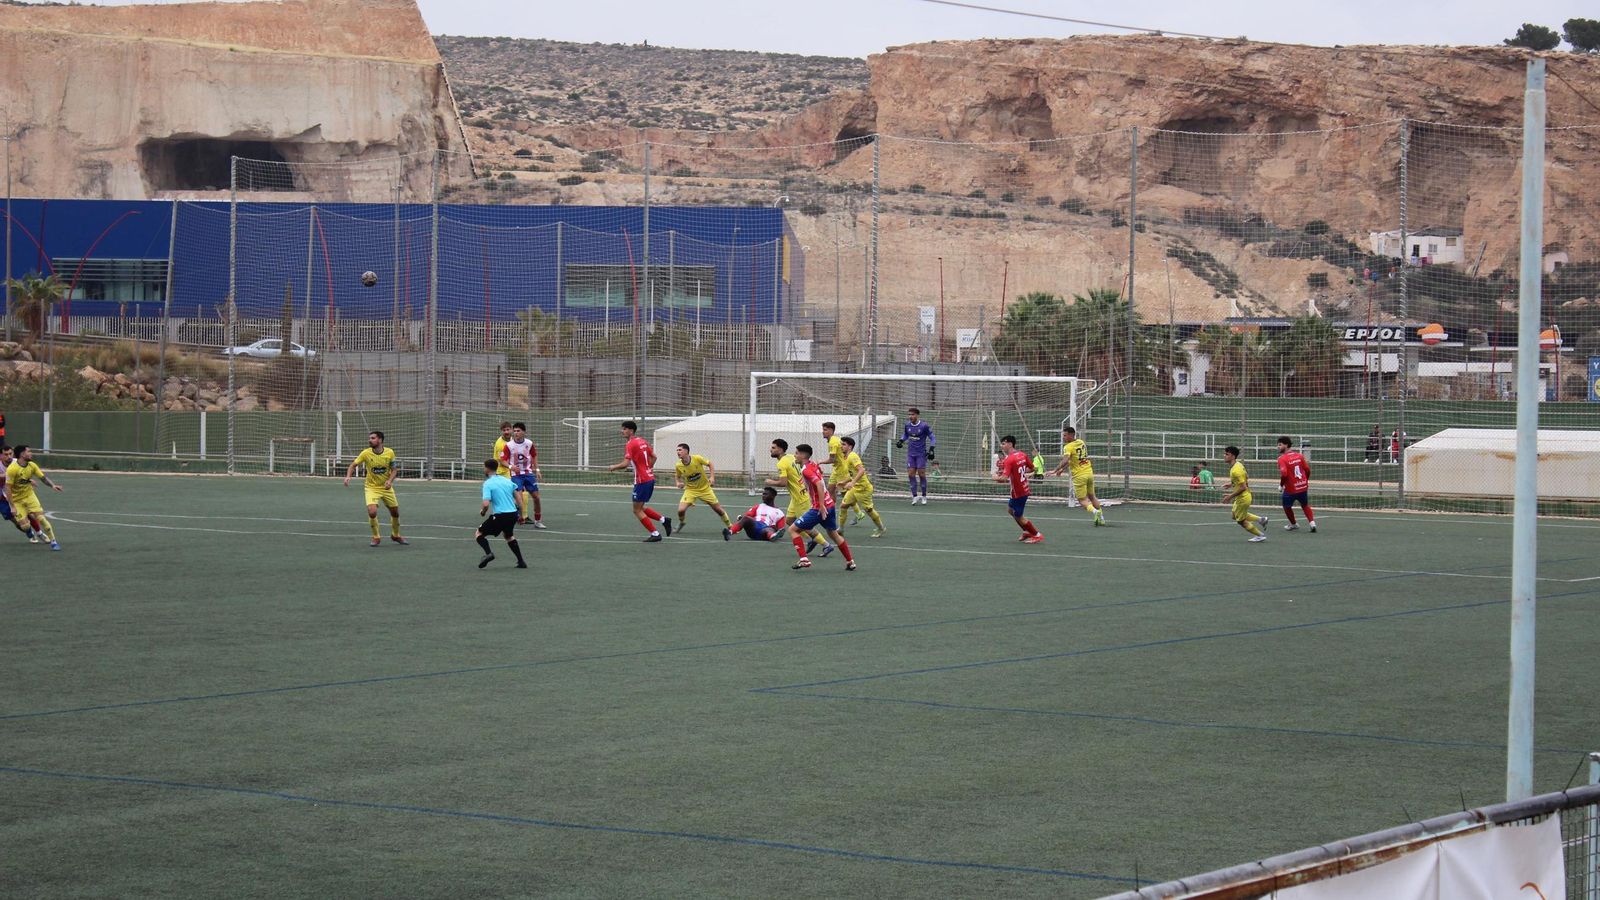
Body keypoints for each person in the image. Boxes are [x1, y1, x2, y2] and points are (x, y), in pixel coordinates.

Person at [785, 443, 856, 571]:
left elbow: (818, 483)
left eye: (796, 453)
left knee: (793, 529)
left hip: (819, 508)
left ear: (802, 455)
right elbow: (820, 476)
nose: (794, 455)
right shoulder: (813, 464)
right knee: (833, 534)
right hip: (830, 505)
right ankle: (850, 562)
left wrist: (821, 505)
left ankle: (804, 559)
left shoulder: (806, 469)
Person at [607, 421, 670, 542]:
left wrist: (614, 467)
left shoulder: (630, 444)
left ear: (631, 431)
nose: (622, 431)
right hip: (649, 478)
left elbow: (625, 464)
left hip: (642, 480)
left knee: (636, 510)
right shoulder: (642, 440)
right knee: (641, 507)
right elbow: (654, 456)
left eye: (624, 429)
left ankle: (655, 534)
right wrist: (648, 469)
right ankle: (664, 520)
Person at [766, 438, 831, 555]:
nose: (770, 450)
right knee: (790, 520)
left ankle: (826, 545)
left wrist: (770, 482)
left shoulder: (781, 463)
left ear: (780, 450)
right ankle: (811, 539)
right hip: (796, 497)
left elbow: (783, 482)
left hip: (801, 497)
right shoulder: (791, 457)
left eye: (773, 448)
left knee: (805, 524)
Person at [343, 430, 406, 547]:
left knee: (395, 513)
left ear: (380, 440)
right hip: (371, 488)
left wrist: (389, 481)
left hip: (386, 488)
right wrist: (348, 476)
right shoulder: (366, 453)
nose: (370, 440)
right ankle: (376, 537)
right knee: (372, 512)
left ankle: (395, 535)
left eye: (373, 438)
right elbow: (353, 465)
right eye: (370, 438)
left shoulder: (390, 452)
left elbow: (394, 470)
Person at [5, 445, 62, 548]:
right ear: (22, 454)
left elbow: (43, 478)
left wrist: (53, 485)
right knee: (25, 526)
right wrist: (12, 506)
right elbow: (8, 488)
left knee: (41, 518)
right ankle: (30, 530)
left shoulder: (32, 465)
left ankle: (54, 542)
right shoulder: (12, 469)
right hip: (17, 501)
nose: (31, 453)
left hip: (30, 497)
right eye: (29, 451)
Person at [1048, 425, 1106, 526]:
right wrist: (1062, 469)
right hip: (1089, 473)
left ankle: (1095, 512)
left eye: (1065, 435)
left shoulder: (1068, 447)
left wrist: (1055, 470)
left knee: (1082, 500)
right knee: (1092, 497)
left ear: (1071, 435)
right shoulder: (1081, 442)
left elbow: (1066, 459)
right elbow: (1073, 460)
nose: (1063, 437)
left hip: (1079, 476)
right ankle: (1102, 518)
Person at [475, 459, 527, 569]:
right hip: (513, 514)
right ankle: (521, 561)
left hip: (500, 515)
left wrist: (483, 512)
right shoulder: (507, 481)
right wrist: (522, 516)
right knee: (508, 536)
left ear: (488, 469)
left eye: (484, 467)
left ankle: (488, 553)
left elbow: (485, 504)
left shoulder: (488, 484)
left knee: (479, 534)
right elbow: (519, 500)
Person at [672, 443, 733, 533]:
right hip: (690, 490)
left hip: (705, 489)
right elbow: (677, 476)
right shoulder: (678, 465)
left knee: (718, 510)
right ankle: (681, 523)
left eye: (680, 450)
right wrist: (678, 483)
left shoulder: (697, 458)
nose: (678, 452)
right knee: (681, 510)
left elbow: (710, 464)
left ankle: (730, 526)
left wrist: (712, 477)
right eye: (677, 450)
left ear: (686, 451)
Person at [993, 435, 1043, 544]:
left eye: (1003, 443)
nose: (1002, 446)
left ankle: (1037, 535)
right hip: (1022, 488)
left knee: (1019, 516)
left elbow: (1004, 478)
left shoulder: (1009, 459)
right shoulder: (1022, 454)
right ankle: (1026, 531)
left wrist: (995, 477)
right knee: (1010, 510)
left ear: (1010, 444)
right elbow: (1032, 468)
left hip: (1018, 492)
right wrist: (1017, 472)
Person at [836, 435, 886, 538]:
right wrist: (844, 482)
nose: (841, 446)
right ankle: (840, 529)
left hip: (864, 489)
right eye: (841, 444)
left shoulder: (852, 456)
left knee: (869, 511)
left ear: (850, 447)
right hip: (855, 489)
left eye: (843, 444)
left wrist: (852, 483)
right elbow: (852, 474)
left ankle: (881, 528)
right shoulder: (846, 457)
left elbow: (861, 470)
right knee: (843, 506)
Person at [498, 422, 545, 528]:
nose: (516, 433)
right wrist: (510, 467)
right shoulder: (509, 446)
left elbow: (534, 456)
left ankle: (538, 521)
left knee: (536, 497)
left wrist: (537, 469)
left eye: (518, 431)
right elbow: (502, 460)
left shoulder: (529, 443)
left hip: (528, 473)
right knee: (519, 497)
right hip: (516, 475)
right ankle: (518, 516)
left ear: (524, 432)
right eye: (514, 431)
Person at [1221, 445, 1268, 543]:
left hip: (1243, 498)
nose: (1224, 455)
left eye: (1227, 454)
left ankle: (1260, 535)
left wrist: (1230, 496)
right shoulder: (1238, 465)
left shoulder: (1235, 470)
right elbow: (1246, 478)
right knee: (1234, 515)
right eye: (1224, 453)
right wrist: (1231, 484)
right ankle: (1261, 519)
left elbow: (1243, 487)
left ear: (1233, 456)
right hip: (1242, 497)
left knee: (1241, 521)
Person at [1276, 436, 1317, 533]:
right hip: (1302, 486)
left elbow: (1284, 474)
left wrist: (1281, 485)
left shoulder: (1282, 459)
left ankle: (1294, 524)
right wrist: (1305, 480)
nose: (1278, 447)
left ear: (1286, 445)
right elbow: (1307, 470)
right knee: (1305, 505)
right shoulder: (1299, 455)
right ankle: (1312, 523)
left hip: (1291, 489)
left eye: (1280, 445)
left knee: (1286, 506)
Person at [897, 407, 935, 504]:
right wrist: (901, 440)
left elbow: (932, 437)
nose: (910, 416)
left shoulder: (924, 426)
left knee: (921, 474)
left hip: (921, 454)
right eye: (909, 414)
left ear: (917, 415)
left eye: (913, 414)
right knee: (910, 474)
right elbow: (906, 434)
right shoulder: (907, 425)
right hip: (911, 454)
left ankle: (924, 496)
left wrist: (932, 449)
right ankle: (914, 496)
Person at [0, 445, 35, 540]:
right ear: (1, 456)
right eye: (5, 454)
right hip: (1, 498)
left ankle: (39, 532)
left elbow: (26, 473)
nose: (9, 456)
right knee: (16, 521)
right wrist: (9, 474)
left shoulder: (17, 462)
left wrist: (29, 481)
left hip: (16, 494)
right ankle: (29, 533)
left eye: (10, 454)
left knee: (30, 515)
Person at [822, 421, 849, 509]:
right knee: (830, 489)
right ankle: (831, 509)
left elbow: (832, 459)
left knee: (845, 493)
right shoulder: (833, 440)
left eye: (825, 430)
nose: (823, 431)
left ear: (831, 430)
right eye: (823, 429)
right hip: (836, 469)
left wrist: (820, 462)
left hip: (842, 470)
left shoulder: (833, 442)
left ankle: (858, 512)